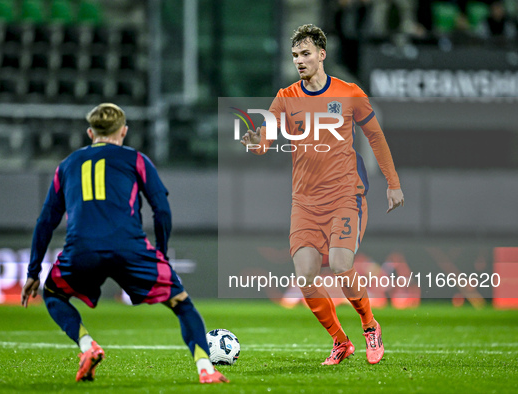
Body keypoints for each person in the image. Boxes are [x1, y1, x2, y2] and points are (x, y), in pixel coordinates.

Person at [21, 103, 228, 384]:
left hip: (81, 249)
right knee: (181, 304)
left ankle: (87, 346)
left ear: (90, 132)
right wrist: (162, 254)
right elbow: (162, 210)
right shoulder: (136, 160)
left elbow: (46, 221)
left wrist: (33, 271)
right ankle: (205, 368)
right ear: (124, 131)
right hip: (129, 247)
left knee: (53, 295)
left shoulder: (66, 166)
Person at [241, 24, 404, 365]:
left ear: (322, 54)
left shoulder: (349, 93)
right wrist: (256, 144)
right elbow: (266, 140)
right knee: (304, 277)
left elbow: (375, 137)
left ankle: (369, 325)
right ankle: (340, 342)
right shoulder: (285, 98)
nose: (299, 61)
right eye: (295, 56)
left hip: (345, 196)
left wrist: (393, 183)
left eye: (305, 54)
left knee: (342, 267)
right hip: (304, 202)